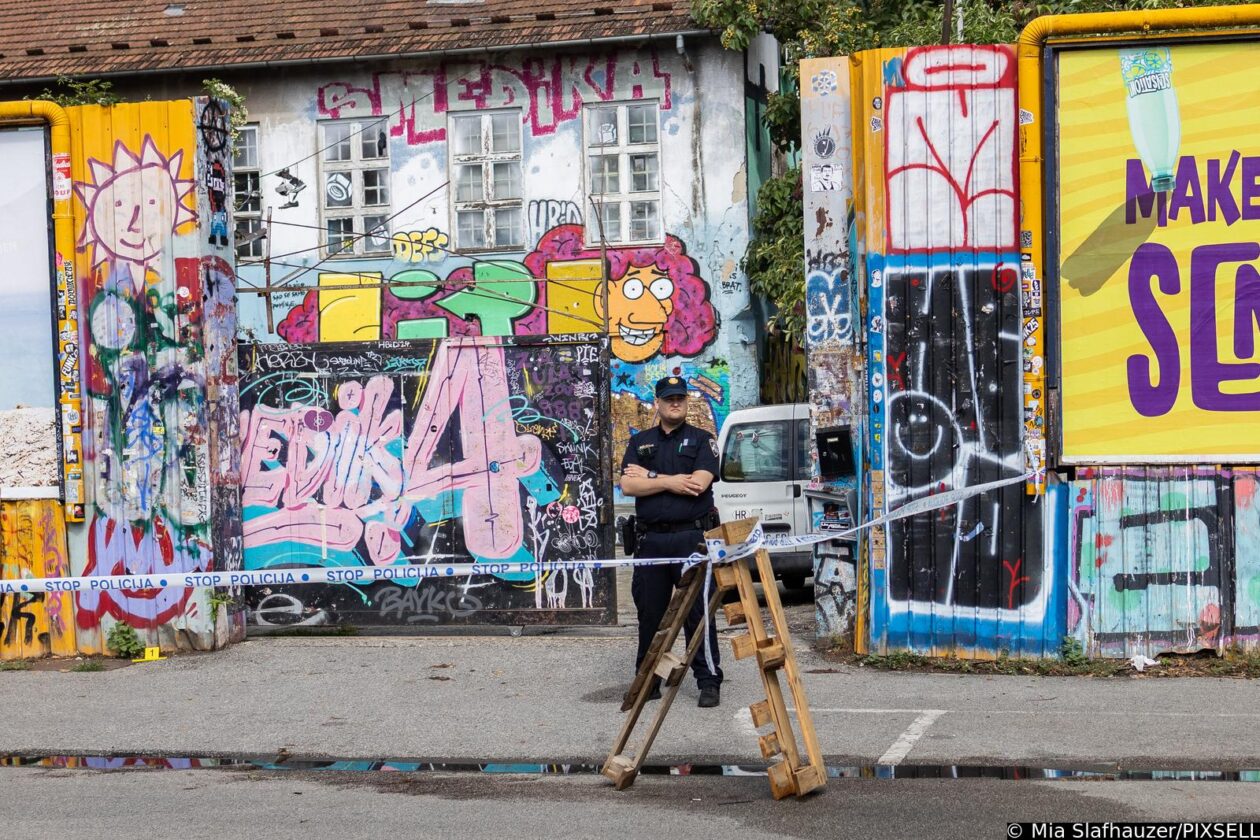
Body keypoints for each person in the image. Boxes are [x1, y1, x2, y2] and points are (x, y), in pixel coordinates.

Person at [620, 376, 723, 708]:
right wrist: (669, 481)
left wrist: (650, 478)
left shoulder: (702, 440)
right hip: (651, 540)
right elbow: (628, 486)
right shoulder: (640, 443)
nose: (674, 403)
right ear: (658, 403)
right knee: (650, 613)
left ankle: (708, 680)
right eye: (669, 399)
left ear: (685, 402)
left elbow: (698, 483)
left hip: (691, 539)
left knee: (698, 612)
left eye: (679, 398)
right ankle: (648, 679)